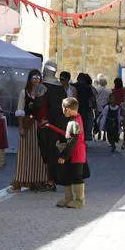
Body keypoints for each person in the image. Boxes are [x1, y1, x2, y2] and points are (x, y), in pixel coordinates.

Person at [10, 69, 48, 192]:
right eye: (34, 78)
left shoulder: (45, 92)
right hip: (28, 125)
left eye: (38, 78)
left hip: (41, 126)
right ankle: (21, 179)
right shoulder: (24, 92)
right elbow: (20, 111)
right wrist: (21, 127)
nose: (36, 80)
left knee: (39, 154)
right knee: (25, 154)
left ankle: (38, 179)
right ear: (30, 79)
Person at [38, 60, 68, 192]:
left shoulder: (44, 87)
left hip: (47, 124)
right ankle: (50, 180)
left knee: (48, 153)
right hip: (58, 124)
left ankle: (50, 181)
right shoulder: (60, 88)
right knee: (53, 153)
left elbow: (40, 106)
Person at [54, 97, 88, 209]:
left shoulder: (75, 121)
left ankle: (79, 200)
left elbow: (74, 140)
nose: (62, 111)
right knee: (67, 175)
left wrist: (64, 155)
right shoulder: (75, 119)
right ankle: (68, 198)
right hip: (73, 152)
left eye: (63, 108)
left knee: (77, 177)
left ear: (67, 109)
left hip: (77, 152)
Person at [74, 73, 95, 143]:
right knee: (84, 127)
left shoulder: (73, 86)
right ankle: (83, 141)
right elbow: (92, 99)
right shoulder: (87, 88)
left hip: (75, 109)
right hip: (86, 110)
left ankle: (77, 140)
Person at [94, 75, 112, 141]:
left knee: (98, 120)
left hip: (98, 107)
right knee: (105, 121)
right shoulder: (109, 90)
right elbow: (109, 99)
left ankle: (99, 133)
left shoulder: (97, 89)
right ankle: (104, 135)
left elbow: (94, 98)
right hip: (105, 108)